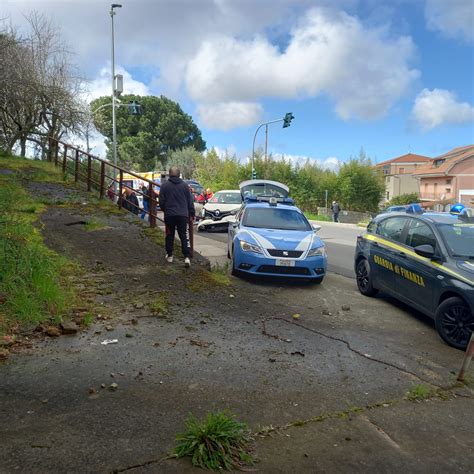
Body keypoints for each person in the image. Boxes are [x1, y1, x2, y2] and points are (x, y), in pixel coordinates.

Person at [159, 166, 195, 267]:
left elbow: (161, 201)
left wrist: (165, 210)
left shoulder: (164, 186)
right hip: (183, 215)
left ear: (169, 174)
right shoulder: (185, 186)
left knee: (169, 234)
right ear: (179, 174)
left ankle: (170, 256)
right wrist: (191, 213)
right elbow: (190, 202)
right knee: (184, 235)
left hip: (169, 215)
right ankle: (186, 257)